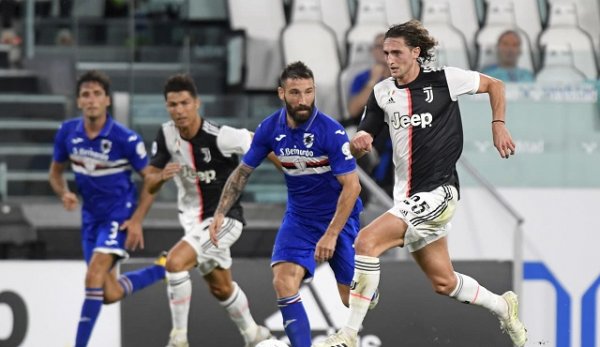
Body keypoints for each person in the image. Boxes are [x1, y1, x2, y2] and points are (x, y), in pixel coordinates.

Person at [315, 20, 527, 347]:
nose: (390, 59)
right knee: (444, 281)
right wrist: (360, 141)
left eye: (397, 52)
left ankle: (349, 335)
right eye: (386, 53)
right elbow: (367, 130)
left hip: (440, 193)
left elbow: (495, 85)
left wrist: (498, 124)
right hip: (407, 200)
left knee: (366, 242)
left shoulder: (445, 79)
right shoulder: (383, 92)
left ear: (415, 52)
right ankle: (503, 306)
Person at [209, 61, 367, 347]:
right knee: (283, 282)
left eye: (308, 92)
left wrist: (331, 234)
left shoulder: (330, 131)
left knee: (350, 299)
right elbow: (242, 172)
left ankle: (369, 288)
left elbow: (353, 186)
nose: (303, 100)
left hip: (339, 219)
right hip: (300, 218)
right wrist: (220, 211)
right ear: (281, 93)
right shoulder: (270, 128)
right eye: (295, 93)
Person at [138, 74, 272, 347]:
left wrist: (294, 176)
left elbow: (263, 142)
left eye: (184, 103)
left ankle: (178, 339)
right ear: (167, 107)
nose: (179, 110)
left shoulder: (220, 136)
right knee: (221, 288)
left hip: (225, 219)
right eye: (173, 104)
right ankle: (253, 334)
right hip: (194, 222)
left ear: (197, 103)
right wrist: (161, 176)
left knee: (175, 263)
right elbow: (149, 184)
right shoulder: (166, 135)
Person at [49, 70, 166, 347]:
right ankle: (162, 270)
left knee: (92, 276)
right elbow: (54, 174)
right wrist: (64, 192)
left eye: (97, 94)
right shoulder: (67, 132)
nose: (91, 100)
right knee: (109, 292)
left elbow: (150, 181)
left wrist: (136, 220)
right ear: (79, 102)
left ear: (107, 100)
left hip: (119, 215)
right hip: (90, 218)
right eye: (86, 95)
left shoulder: (125, 138)